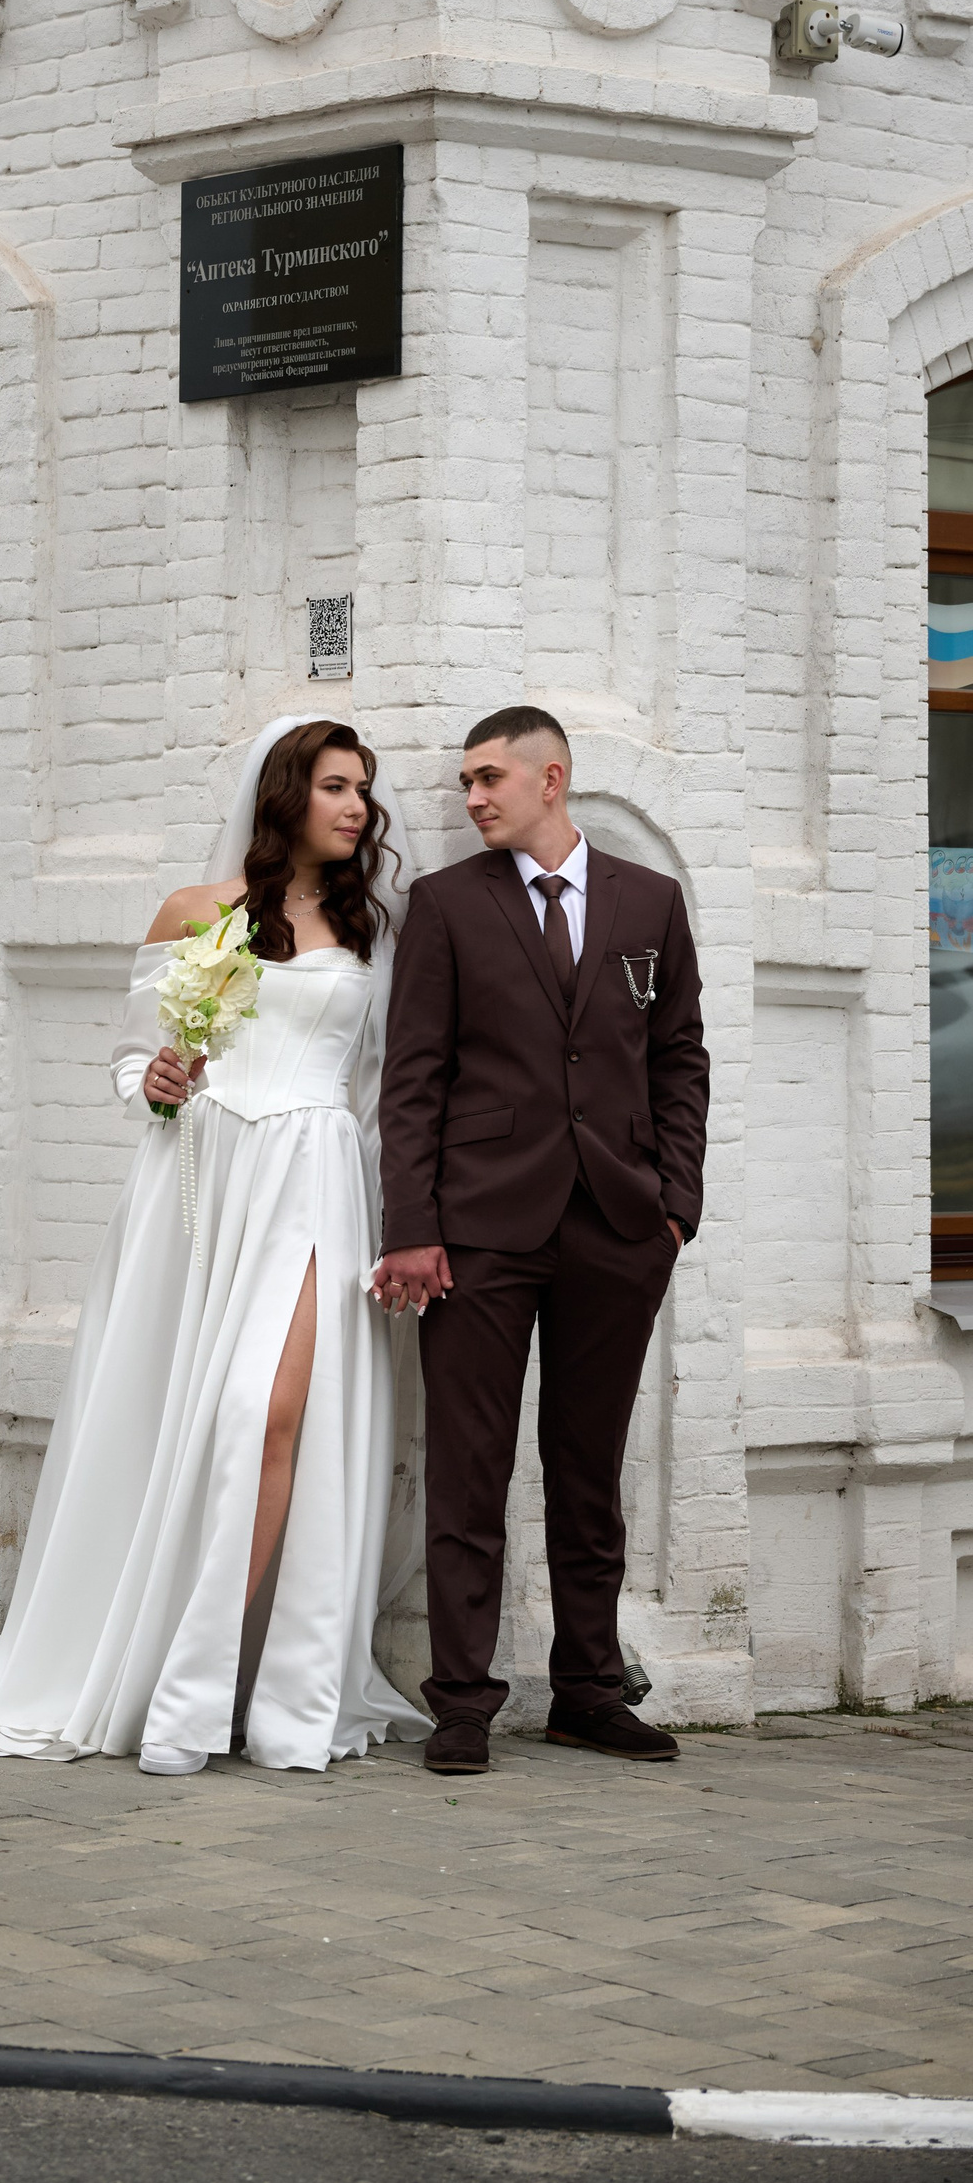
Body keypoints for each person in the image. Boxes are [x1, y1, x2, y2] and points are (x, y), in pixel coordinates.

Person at [0, 717, 430, 1775]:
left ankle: (220, 1687)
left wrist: (396, 1216)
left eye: (363, 788)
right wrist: (162, 1084)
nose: (357, 806)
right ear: (285, 795)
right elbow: (136, 1064)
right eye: (334, 786)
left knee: (267, 1416)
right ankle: (167, 1675)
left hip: (317, 1181)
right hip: (202, 1182)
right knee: (187, 1420)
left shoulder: (372, 928)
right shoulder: (195, 912)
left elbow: (379, 1090)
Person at [375, 707, 710, 1777]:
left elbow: (679, 1056)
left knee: (589, 1468)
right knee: (469, 1471)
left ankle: (589, 1693)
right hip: (479, 1231)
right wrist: (413, 1227)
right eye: (466, 783)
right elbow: (413, 1079)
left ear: (550, 778)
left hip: (619, 1226)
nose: (472, 798)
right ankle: (462, 1702)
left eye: (489, 778)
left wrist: (676, 1205)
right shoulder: (445, 906)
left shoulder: (649, 902)